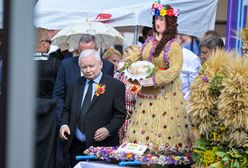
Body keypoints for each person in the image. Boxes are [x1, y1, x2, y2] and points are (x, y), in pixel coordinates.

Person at [124, 2, 193, 155]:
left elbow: (175, 69)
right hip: (146, 92)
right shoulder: (149, 41)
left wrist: (155, 79)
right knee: (143, 127)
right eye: (156, 19)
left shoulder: (174, 44)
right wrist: (127, 65)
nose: (158, 22)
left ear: (169, 22)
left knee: (163, 130)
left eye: (162, 20)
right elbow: (138, 55)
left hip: (166, 94)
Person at [53, 34, 114, 167]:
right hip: (72, 128)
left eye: (90, 50)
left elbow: (109, 100)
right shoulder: (66, 65)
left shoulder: (108, 66)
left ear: (97, 50)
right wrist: (63, 122)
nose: (86, 54)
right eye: (82, 51)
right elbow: (58, 95)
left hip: (97, 131)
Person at [59, 49, 126, 167]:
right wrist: (64, 124)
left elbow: (120, 114)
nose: (88, 70)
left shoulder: (115, 86)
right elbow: (67, 110)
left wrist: (108, 129)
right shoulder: (74, 85)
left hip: (102, 146)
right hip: (76, 145)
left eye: (91, 66)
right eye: (84, 67)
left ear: (100, 64)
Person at [34, 27, 59, 168]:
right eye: (50, 41)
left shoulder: (18, 62)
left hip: (23, 113)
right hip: (49, 116)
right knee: (47, 155)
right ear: (44, 43)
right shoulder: (56, 63)